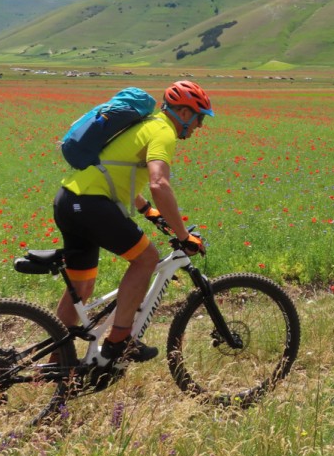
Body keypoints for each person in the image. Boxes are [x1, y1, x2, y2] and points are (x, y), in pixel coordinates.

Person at [51, 79, 214, 362]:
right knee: (146, 259)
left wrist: (148, 211)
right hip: (91, 205)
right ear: (185, 113)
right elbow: (159, 183)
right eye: (199, 119)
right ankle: (119, 340)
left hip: (69, 200)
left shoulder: (146, 124)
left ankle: (54, 367)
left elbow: (117, 170)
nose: (200, 127)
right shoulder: (163, 131)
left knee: (82, 287)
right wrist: (183, 235)